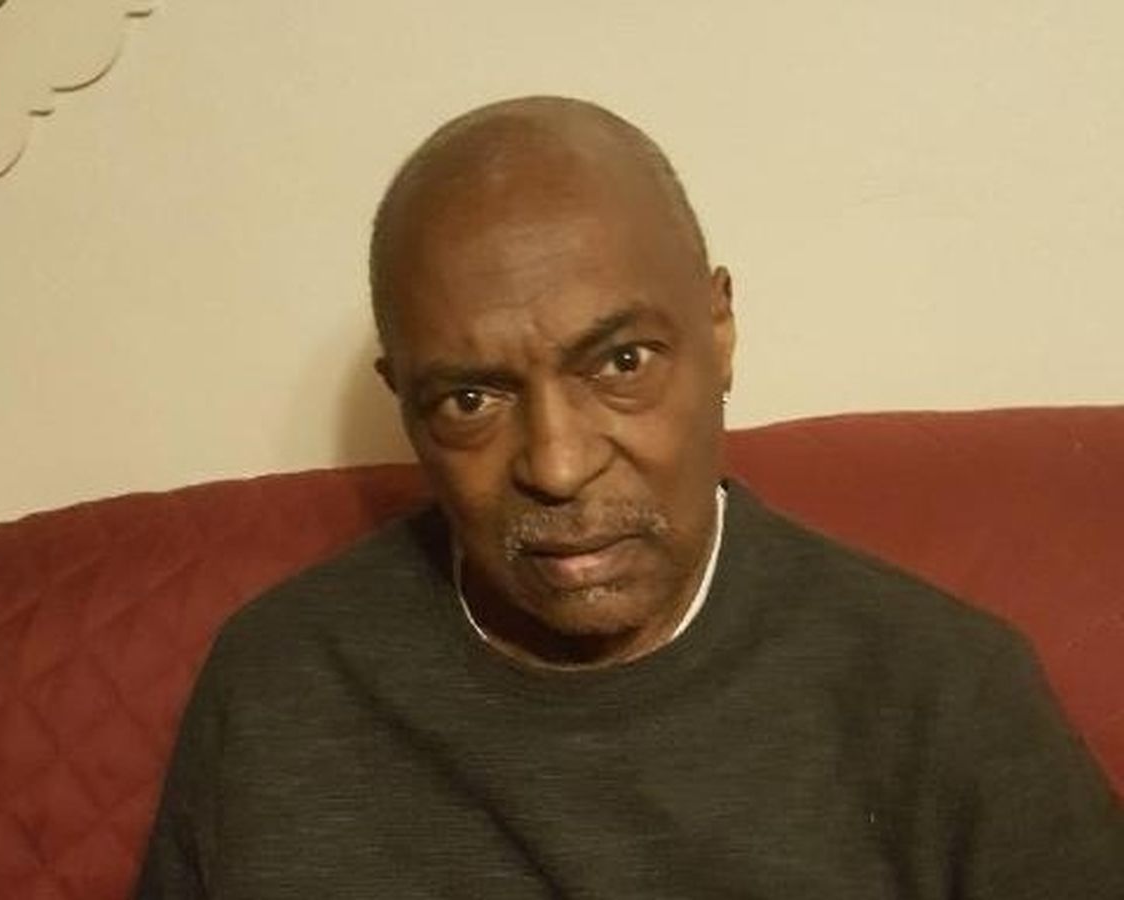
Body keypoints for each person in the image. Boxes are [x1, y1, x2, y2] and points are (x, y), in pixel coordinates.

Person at [135, 96, 1122, 898]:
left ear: (719, 330)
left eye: (621, 363)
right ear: (404, 401)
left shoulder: (947, 699)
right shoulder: (277, 687)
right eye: (471, 400)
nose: (558, 466)